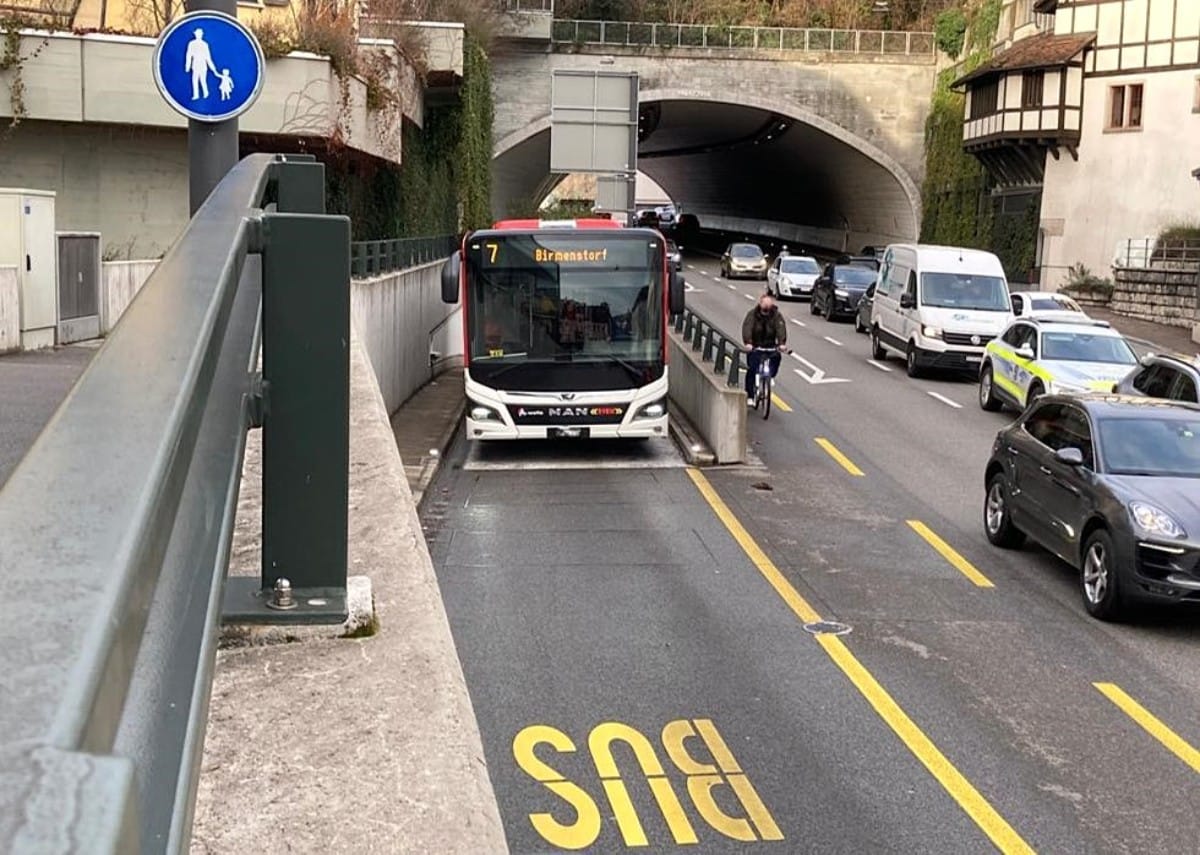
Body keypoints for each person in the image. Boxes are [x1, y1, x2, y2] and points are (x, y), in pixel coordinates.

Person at [742, 293, 789, 402]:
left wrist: (781, 343)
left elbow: (780, 328)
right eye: (765, 305)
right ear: (760, 304)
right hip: (756, 346)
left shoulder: (776, 315)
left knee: (776, 357)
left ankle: (770, 376)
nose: (767, 308)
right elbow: (747, 328)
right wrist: (748, 342)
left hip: (770, 345)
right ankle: (750, 395)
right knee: (752, 369)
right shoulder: (752, 315)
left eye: (769, 305)